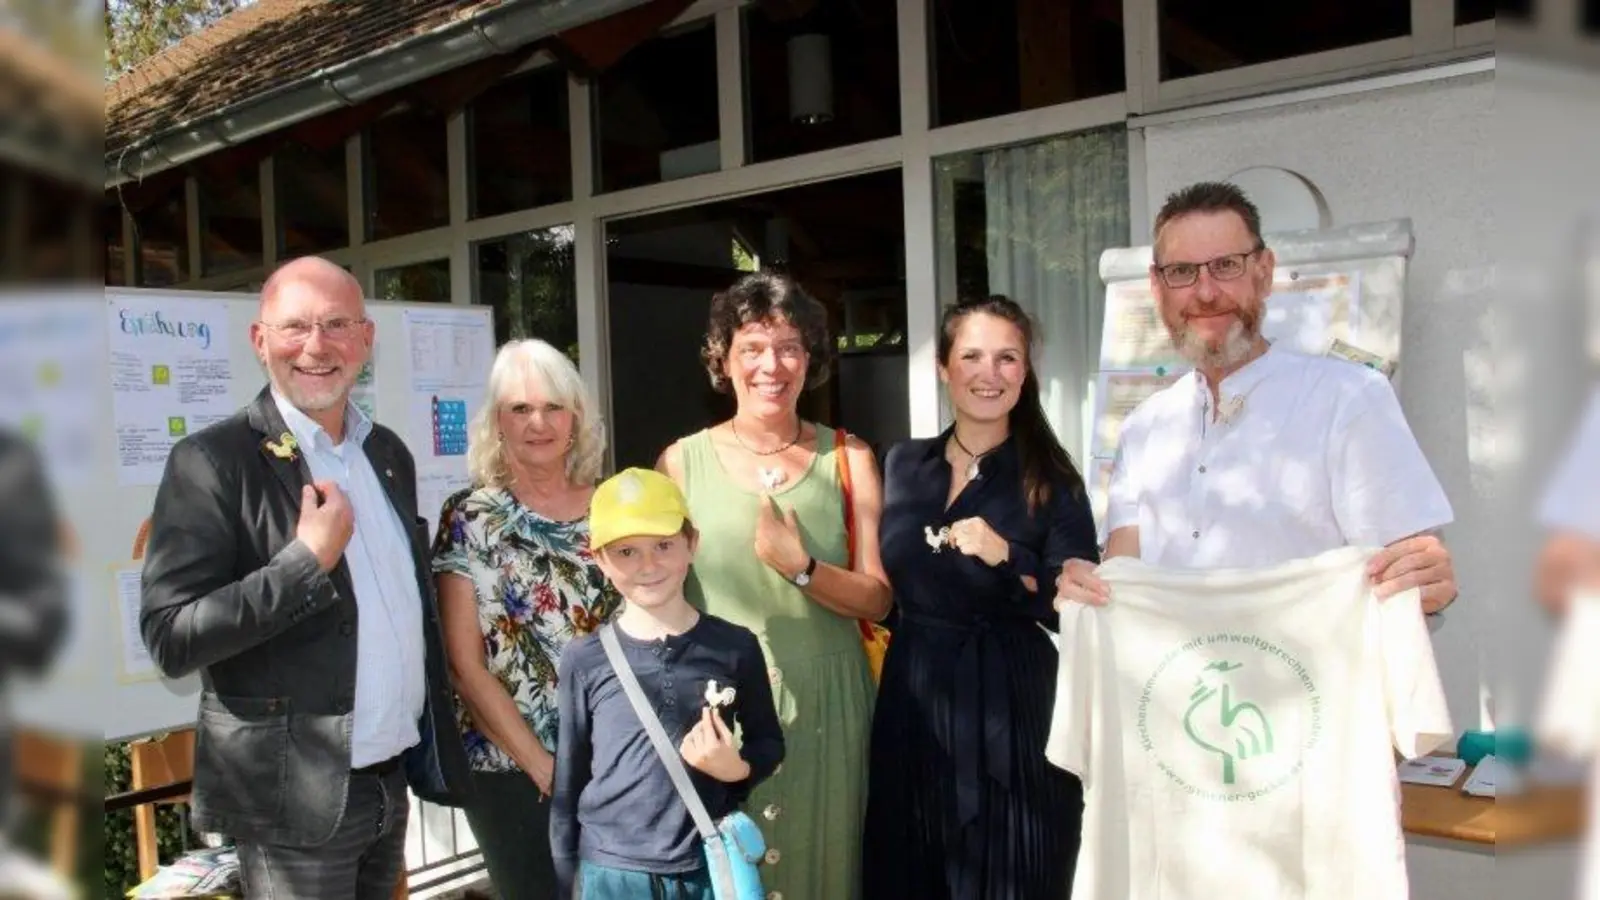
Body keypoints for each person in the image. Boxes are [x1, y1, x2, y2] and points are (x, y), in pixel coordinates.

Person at [140, 256, 470, 898]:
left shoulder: (388, 453)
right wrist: (303, 565)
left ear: (366, 340)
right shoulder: (211, 462)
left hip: (389, 781)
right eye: (294, 327)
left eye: (336, 324)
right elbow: (171, 635)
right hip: (296, 803)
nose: (316, 346)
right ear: (260, 341)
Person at [1056, 181, 1458, 609]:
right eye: (1182, 272)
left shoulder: (1349, 399)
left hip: (1309, 676)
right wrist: (1089, 586)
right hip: (1178, 676)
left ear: (1264, 272)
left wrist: (1429, 583)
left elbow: (1413, 579)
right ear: (1157, 289)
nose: (1206, 292)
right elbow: (1125, 573)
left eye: (1226, 265)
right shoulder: (1143, 427)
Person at [657, 271, 891, 900]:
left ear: (810, 359)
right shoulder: (680, 464)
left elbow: (879, 597)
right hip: (722, 707)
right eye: (752, 348)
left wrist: (803, 569)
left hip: (830, 706)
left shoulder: (850, 458)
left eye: (790, 346)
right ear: (723, 360)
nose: (772, 365)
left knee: (828, 876)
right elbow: (659, 598)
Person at [863, 296, 1099, 900]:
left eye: (1006, 358)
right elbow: (883, 585)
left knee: (1013, 870)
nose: (988, 374)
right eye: (971, 356)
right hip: (913, 693)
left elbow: (1075, 606)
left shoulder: (1052, 479)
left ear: (1025, 372)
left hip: (1010, 704)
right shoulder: (902, 462)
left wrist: (1008, 555)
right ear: (944, 367)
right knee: (910, 866)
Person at [431, 338, 619, 899]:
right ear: (497, 423)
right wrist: (544, 768)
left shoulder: (615, 506)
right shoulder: (469, 517)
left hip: (616, 760)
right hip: (509, 772)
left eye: (553, 407)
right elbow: (464, 668)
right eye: (520, 408)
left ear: (576, 418)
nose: (539, 422)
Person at [550, 467, 784, 899]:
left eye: (663, 545)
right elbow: (568, 782)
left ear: (691, 544)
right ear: (599, 559)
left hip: (705, 864)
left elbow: (768, 741)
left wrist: (738, 771)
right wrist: (567, 883)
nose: (648, 565)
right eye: (626, 552)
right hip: (612, 872)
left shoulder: (735, 646)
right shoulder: (584, 659)